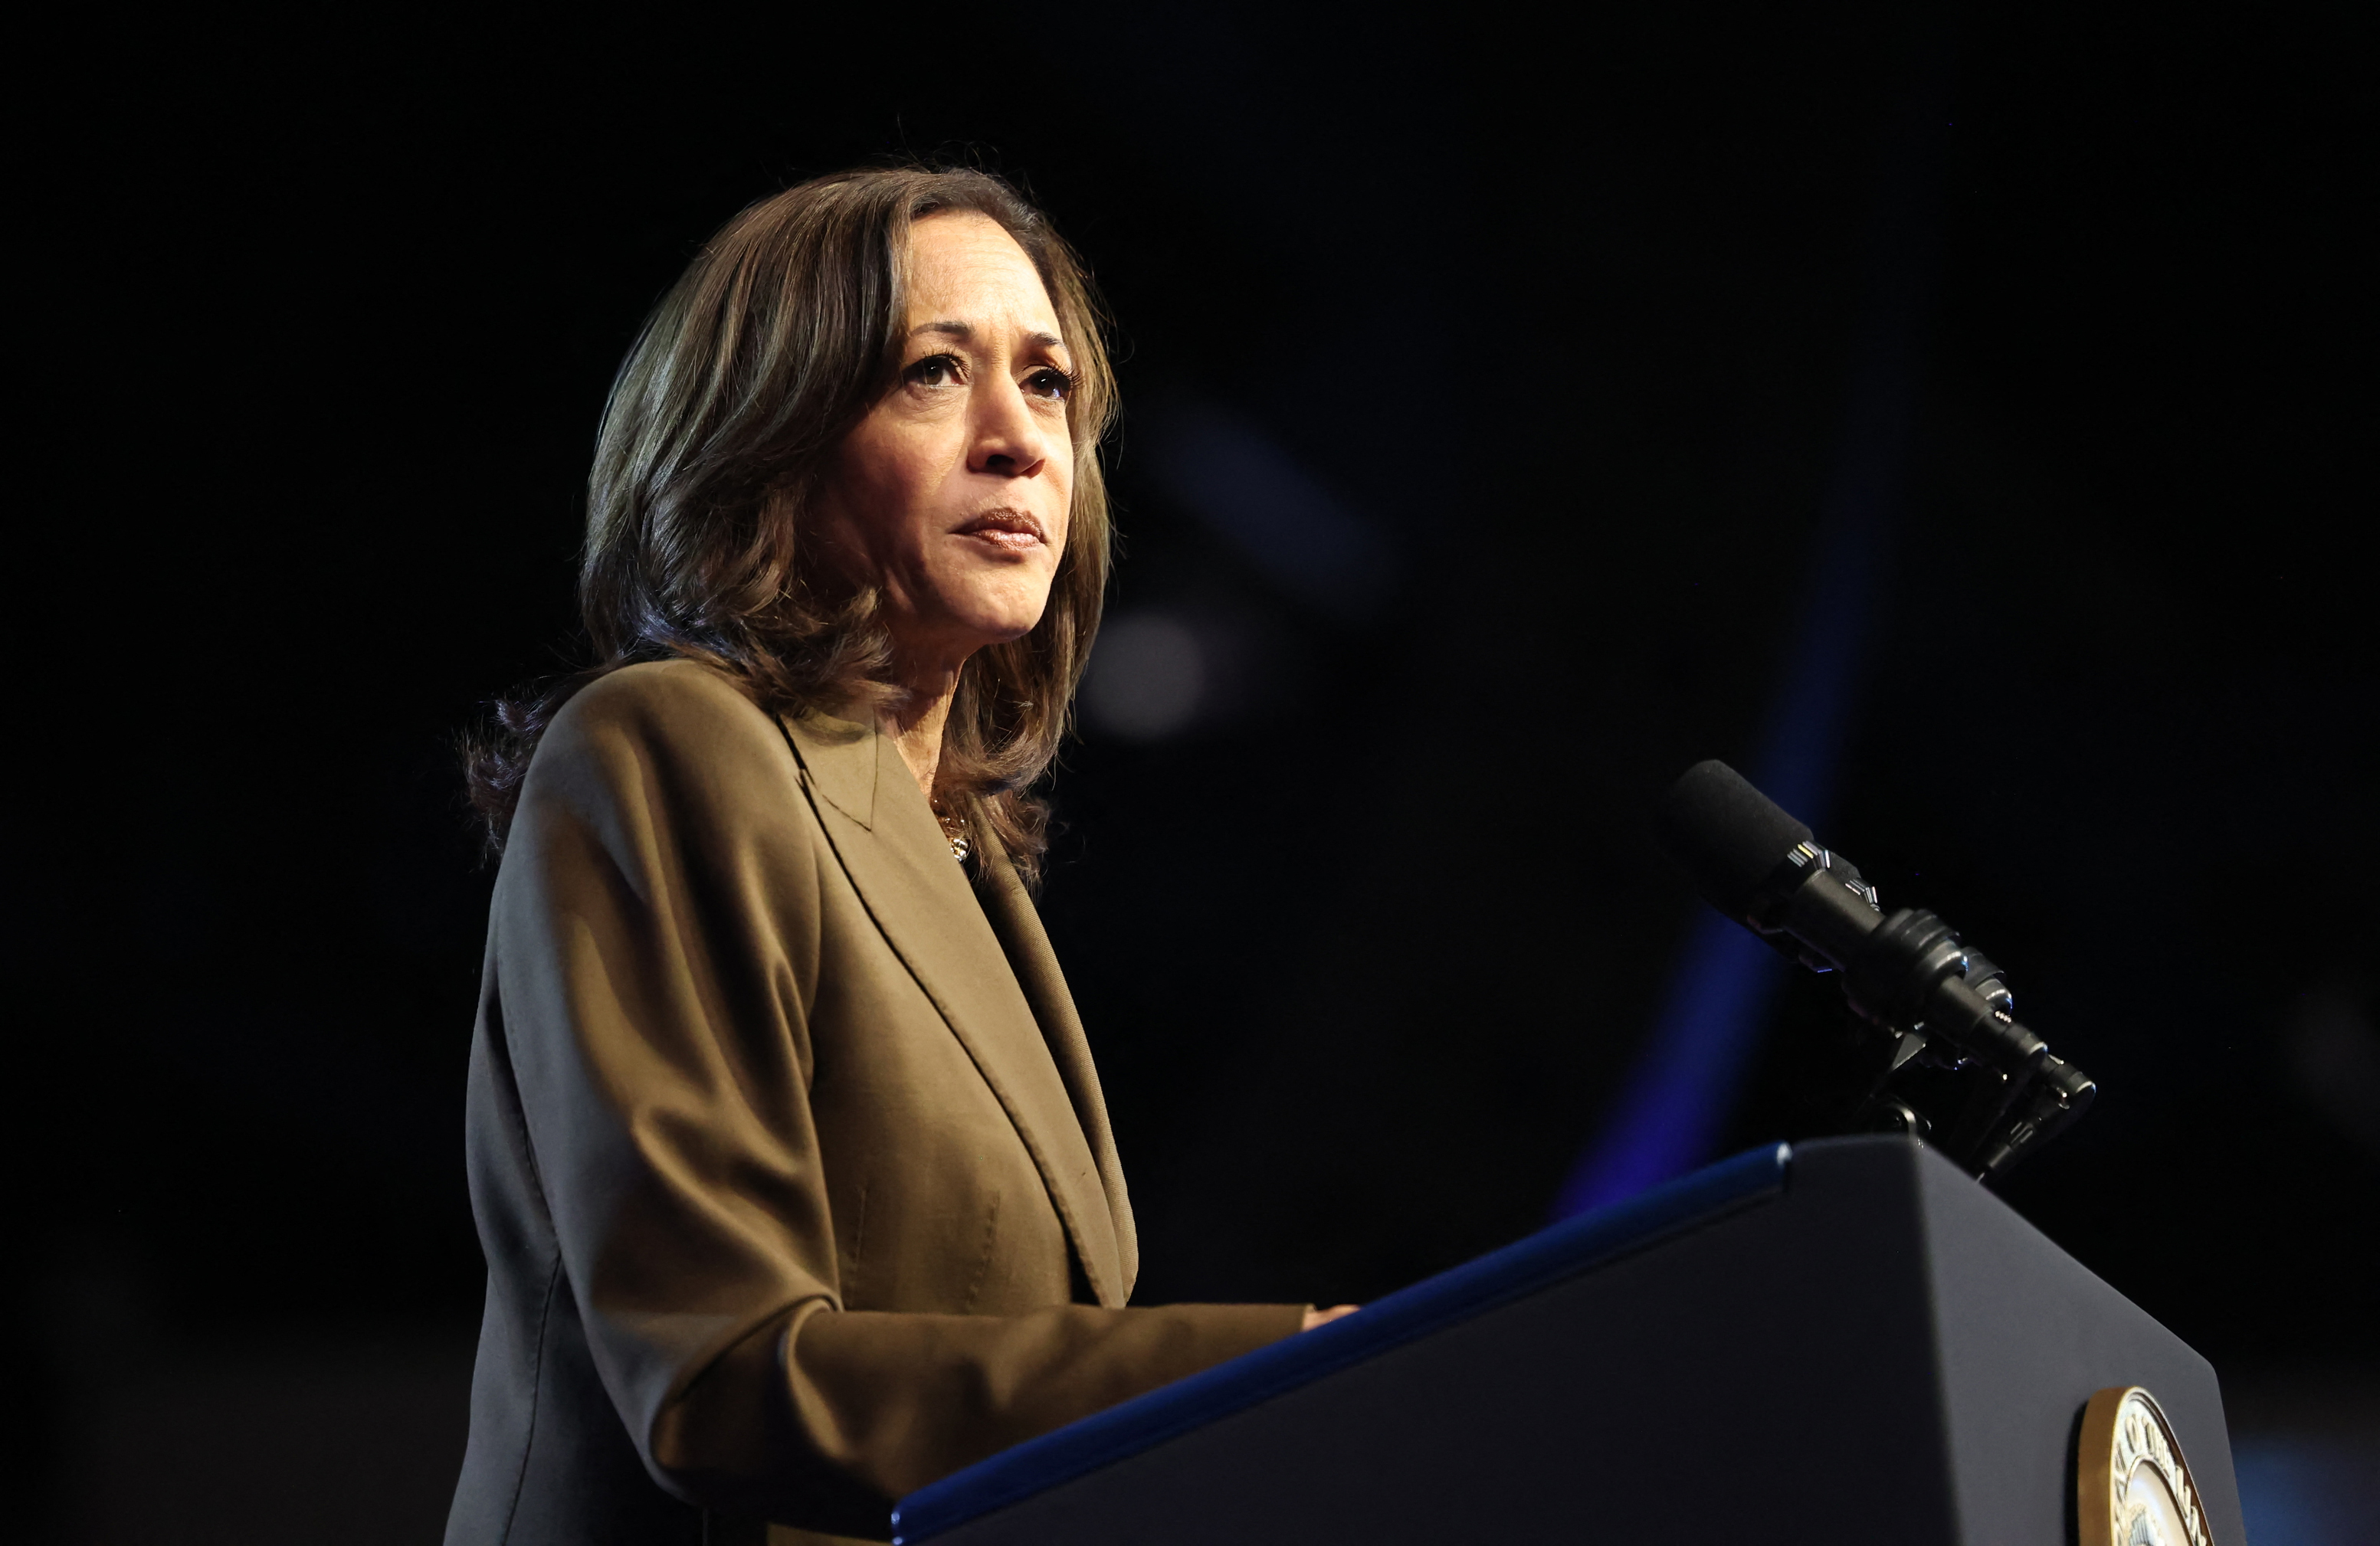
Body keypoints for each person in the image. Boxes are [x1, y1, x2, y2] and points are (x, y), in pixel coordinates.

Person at [444, 166, 1353, 1546]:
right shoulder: (664, 744)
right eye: (935, 372)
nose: (1017, 440)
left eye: (1046, 383)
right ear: (768, 438)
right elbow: (716, 1381)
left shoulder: (968, 859)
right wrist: (1257, 1371)